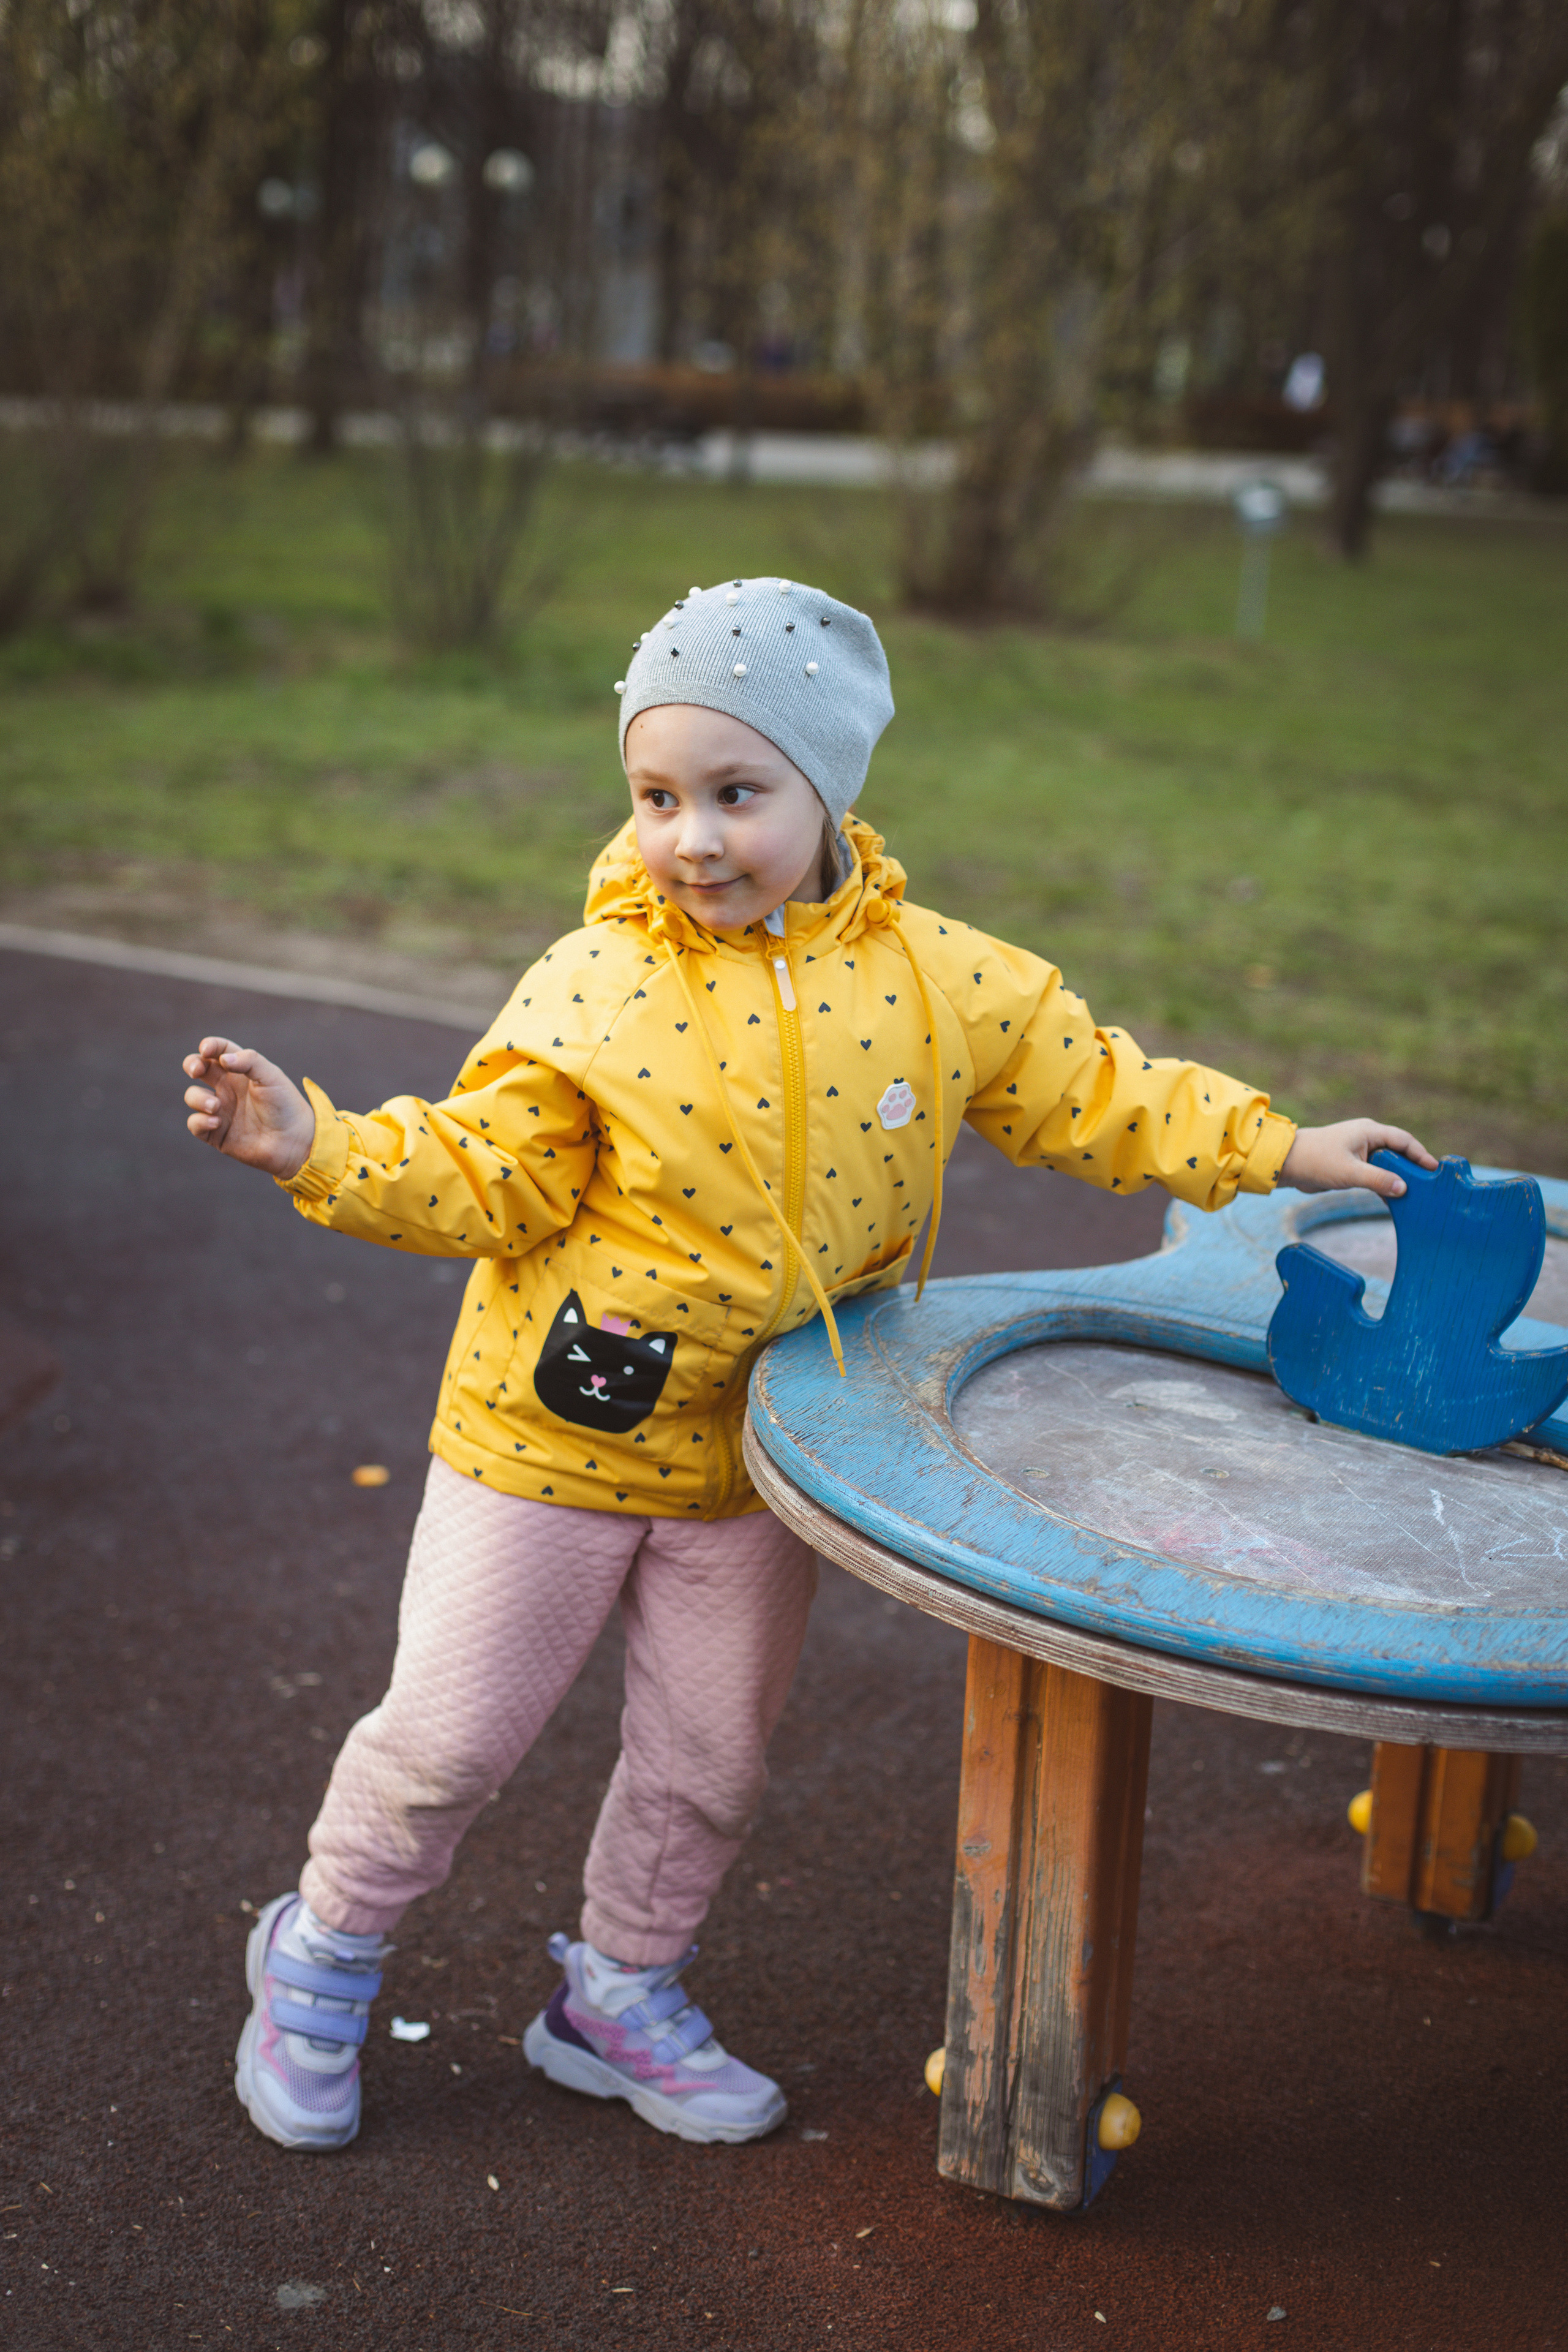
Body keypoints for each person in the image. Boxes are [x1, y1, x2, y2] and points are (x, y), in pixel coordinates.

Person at [182, 576, 1434, 2155]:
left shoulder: (939, 978)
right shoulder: (595, 982)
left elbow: (1097, 1091)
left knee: (706, 1772)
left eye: (736, 792)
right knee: (445, 1747)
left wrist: (1282, 1146)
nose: (692, 836)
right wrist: (324, 1145)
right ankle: (323, 1955)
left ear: (829, 787)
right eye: (657, 796)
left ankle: (615, 1995)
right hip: (544, 1445)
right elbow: (486, 1173)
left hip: (761, 1461)